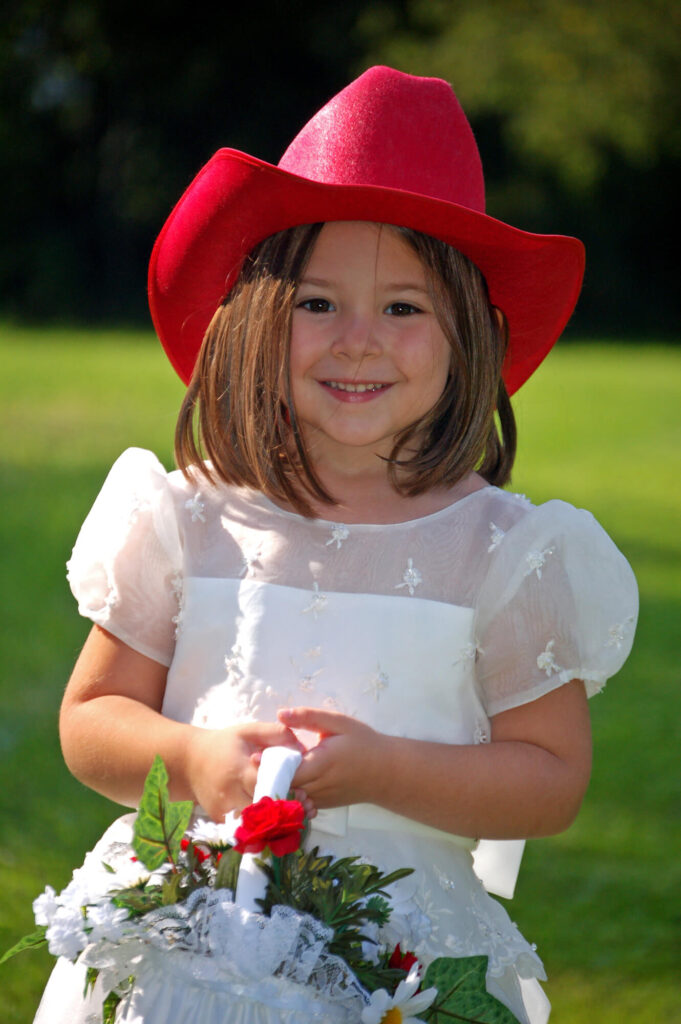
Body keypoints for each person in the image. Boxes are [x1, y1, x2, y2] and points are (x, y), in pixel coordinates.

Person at [34, 66, 637, 1024]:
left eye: (403, 308)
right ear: (256, 320)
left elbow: (550, 778)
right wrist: (193, 760)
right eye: (316, 303)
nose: (357, 340)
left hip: (401, 964)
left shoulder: (501, 550)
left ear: (468, 338)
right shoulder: (188, 517)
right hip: (188, 936)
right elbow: (91, 717)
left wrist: (387, 772)